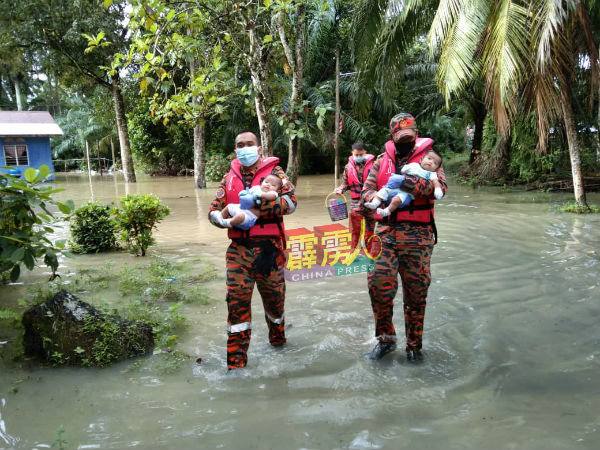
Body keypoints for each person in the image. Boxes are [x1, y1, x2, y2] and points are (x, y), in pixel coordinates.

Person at [208, 130, 297, 370]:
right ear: (235, 150)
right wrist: (222, 218)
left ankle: (278, 343)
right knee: (236, 308)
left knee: (275, 305)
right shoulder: (228, 177)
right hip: (238, 251)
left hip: (270, 250)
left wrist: (256, 205)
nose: (245, 148)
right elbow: (213, 210)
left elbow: (290, 203)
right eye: (240, 145)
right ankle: (236, 366)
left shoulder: (276, 174)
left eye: (250, 144)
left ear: (259, 149)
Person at [362, 113, 447, 362]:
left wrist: (405, 182)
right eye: (402, 138)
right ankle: (386, 340)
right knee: (378, 285)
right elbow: (366, 192)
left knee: (417, 294)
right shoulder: (379, 162)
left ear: (417, 135)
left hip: (419, 237)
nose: (407, 142)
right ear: (392, 138)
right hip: (385, 234)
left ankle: (414, 346)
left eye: (410, 137)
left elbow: (439, 188)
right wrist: (374, 199)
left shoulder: (431, 160)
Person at [364, 149, 444, 217]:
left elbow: (441, 191)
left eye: (435, 163)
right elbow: (366, 191)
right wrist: (383, 199)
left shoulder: (433, 170)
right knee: (384, 190)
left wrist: (404, 181)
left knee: (397, 198)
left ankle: (387, 210)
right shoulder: (381, 159)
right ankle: (375, 203)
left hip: (416, 228)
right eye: (429, 159)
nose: (431, 162)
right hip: (384, 229)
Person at [334, 141, 376, 250]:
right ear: (352, 153)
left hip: (371, 202)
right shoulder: (348, 168)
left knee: (370, 230)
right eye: (356, 155)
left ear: (365, 152)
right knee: (354, 230)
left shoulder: (375, 165)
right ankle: (353, 253)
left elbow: (379, 183)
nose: (358, 157)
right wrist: (340, 189)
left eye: (360, 155)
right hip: (356, 203)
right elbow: (345, 184)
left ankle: (369, 253)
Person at [210, 174, 282, 229]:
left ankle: (228, 223)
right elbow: (247, 192)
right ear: (262, 182)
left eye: (273, 185)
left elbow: (272, 197)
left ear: (277, 190)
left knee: (240, 217)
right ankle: (220, 218)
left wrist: (261, 195)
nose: (268, 185)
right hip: (241, 208)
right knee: (229, 206)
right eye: (266, 182)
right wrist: (243, 193)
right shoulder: (256, 188)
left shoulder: (272, 193)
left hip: (249, 216)